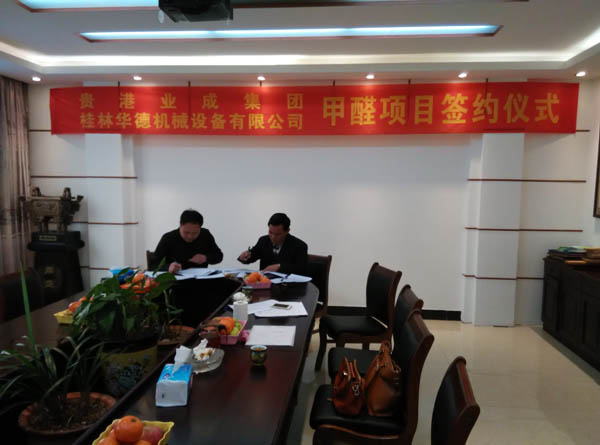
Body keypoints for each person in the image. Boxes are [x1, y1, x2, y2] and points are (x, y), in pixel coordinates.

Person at [152, 209, 223, 273]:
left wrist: (206, 258)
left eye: (195, 233)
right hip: (175, 279)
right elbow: (153, 265)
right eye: (186, 232)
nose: (190, 236)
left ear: (200, 228)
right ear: (180, 225)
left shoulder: (205, 234)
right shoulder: (168, 238)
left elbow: (219, 256)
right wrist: (168, 267)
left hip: (201, 279)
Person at [238, 213, 307, 275]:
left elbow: (301, 269)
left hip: (288, 284)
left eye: (278, 234)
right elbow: (252, 255)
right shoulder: (263, 240)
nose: (273, 237)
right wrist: (244, 257)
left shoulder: (299, 245)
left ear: (287, 231)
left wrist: (279, 266)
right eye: (270, 232)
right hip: (264, 282)